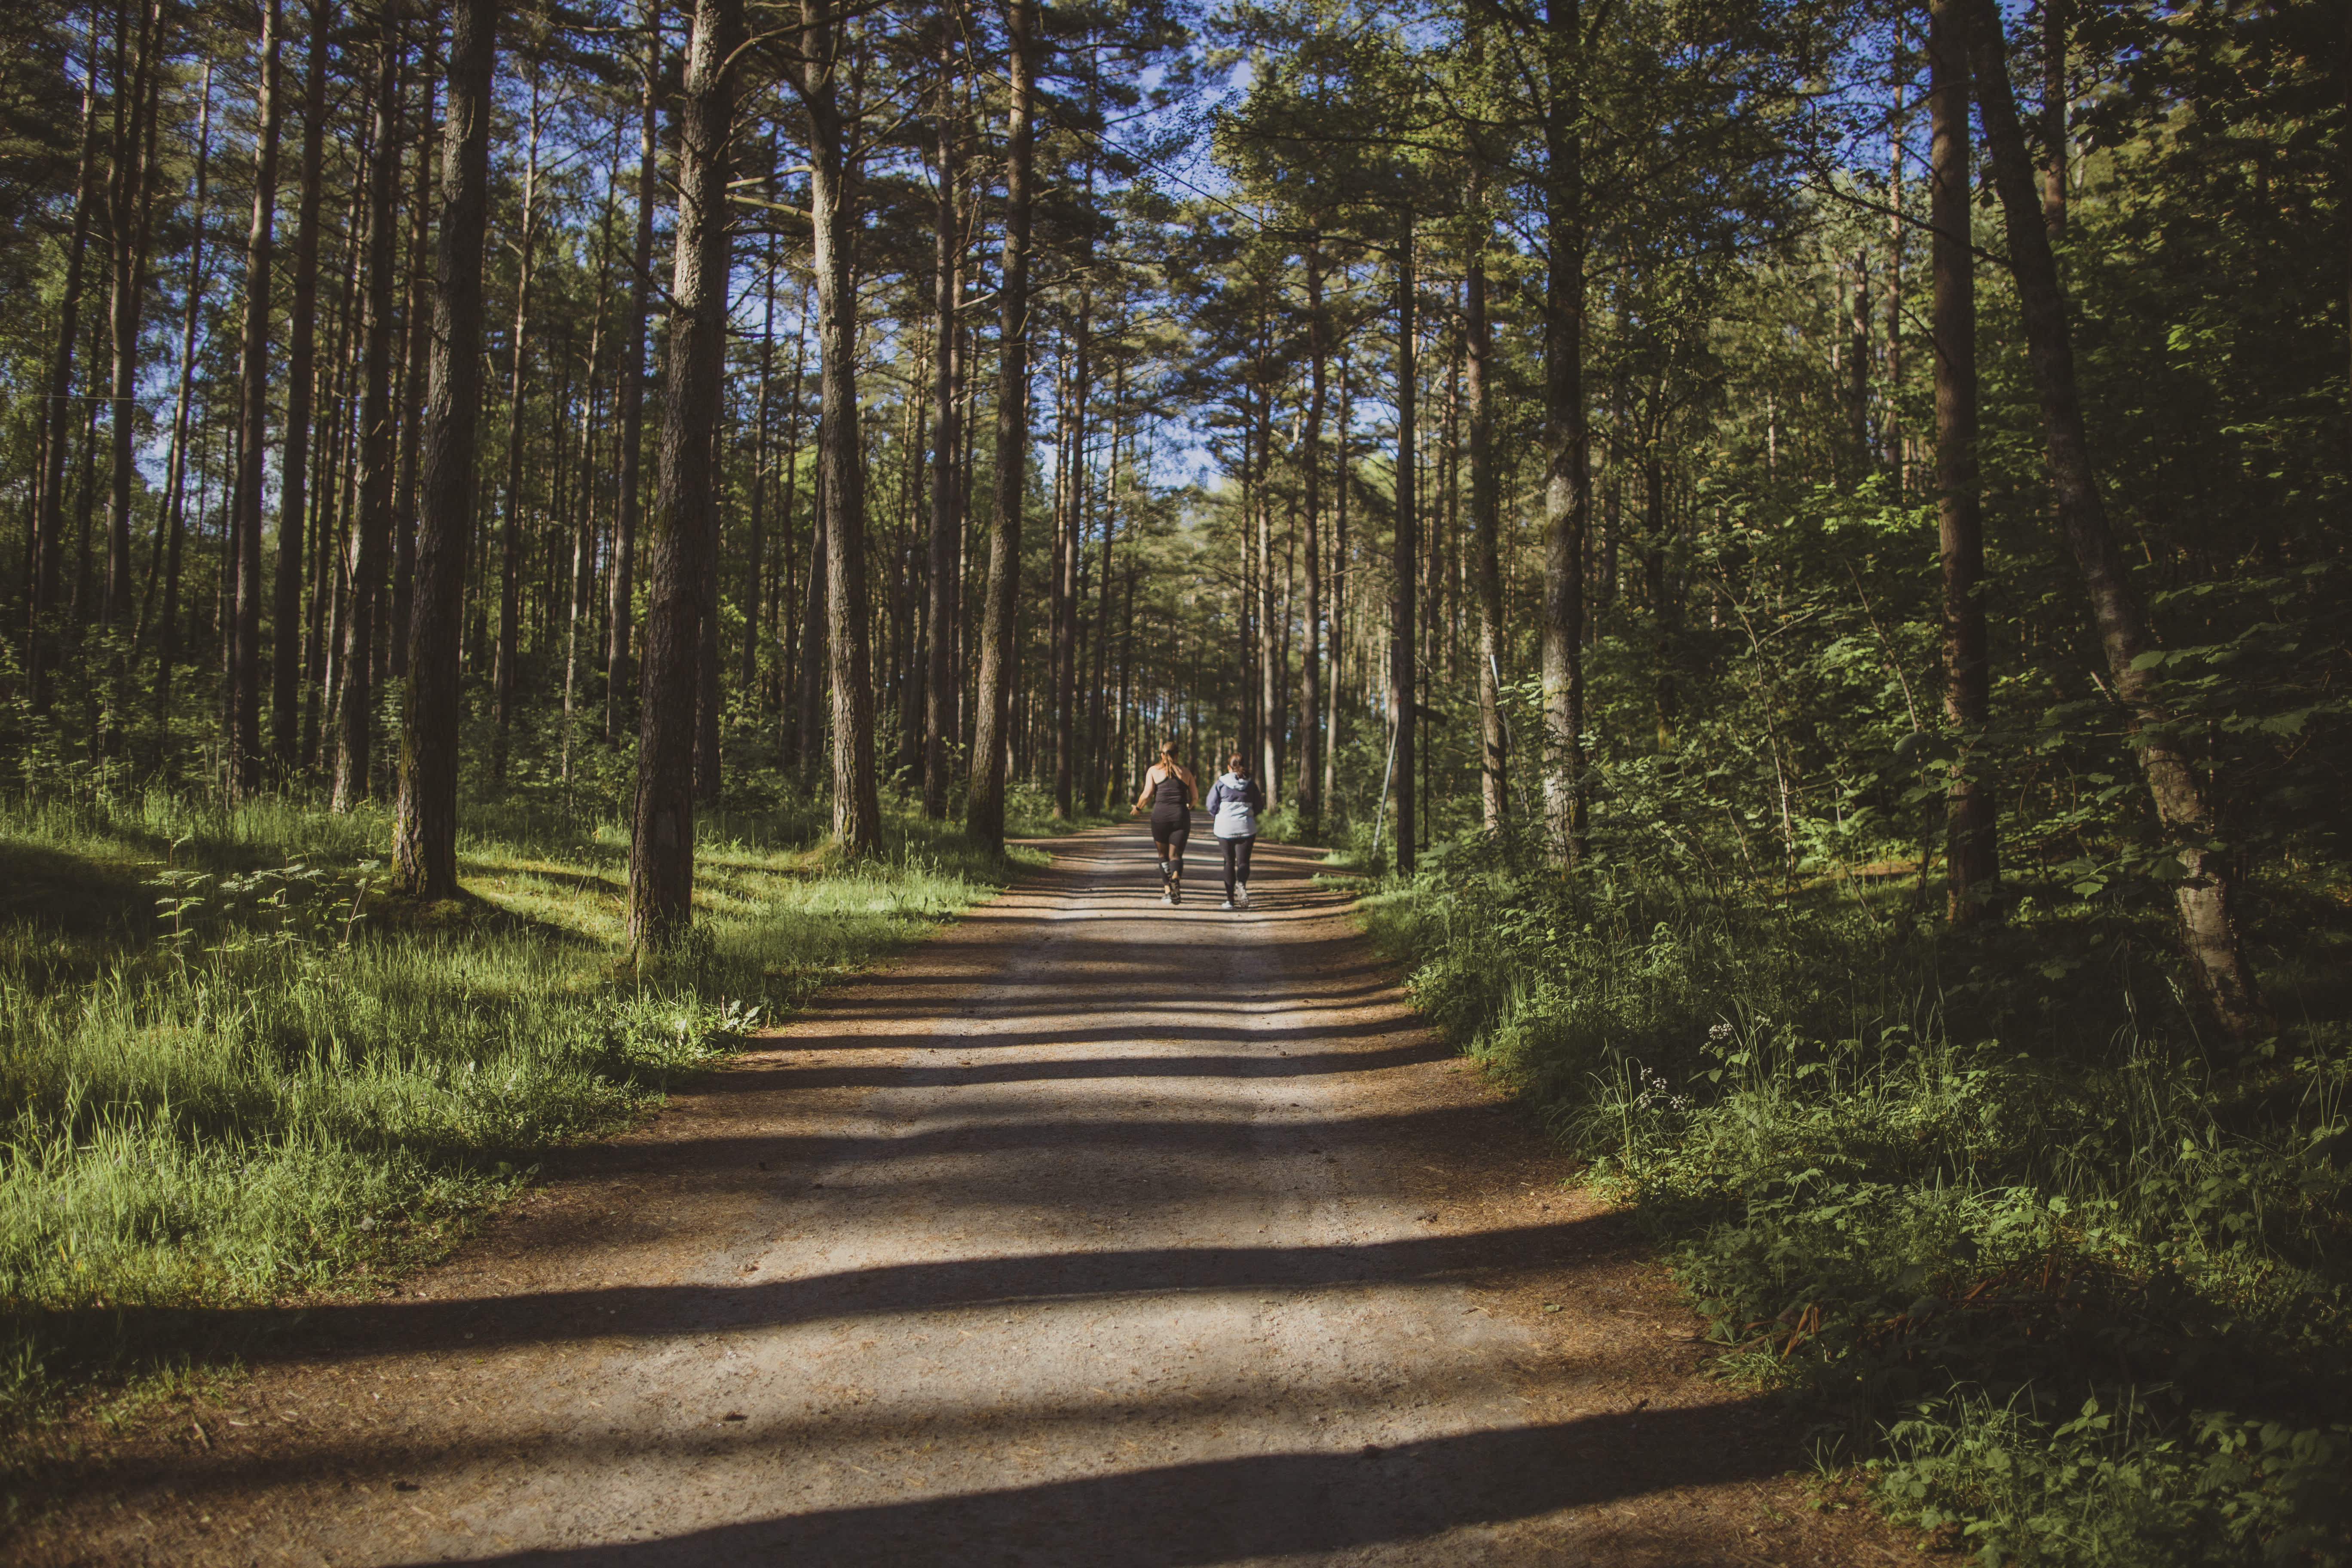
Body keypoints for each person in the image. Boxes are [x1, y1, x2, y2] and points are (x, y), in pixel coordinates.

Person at [1131, 740, 1198, 905]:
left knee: (1163, 856)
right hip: (1181, 816)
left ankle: (1168, 892)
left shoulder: (1154, 770)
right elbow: (1195, 797)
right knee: (1176, 855)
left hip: (1160, 817)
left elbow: (1147, 794)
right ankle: (1176, 878)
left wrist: (1138, 809)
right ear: (1177, 756)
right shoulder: (1186, 772)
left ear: (1162, 755)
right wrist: (1190, 806)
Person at [1205, 753, 1264, 910]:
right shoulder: (1251, 785)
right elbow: (1259, 806)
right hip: (1246, 828)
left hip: (1225, 828)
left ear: (1229, 767)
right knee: (1244, 862)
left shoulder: (1221, 783)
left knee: (1229, 862)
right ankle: (1241, 884)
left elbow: (1211, 805)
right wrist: (1249, 815)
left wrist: (1219, 815)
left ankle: (1230, 900)